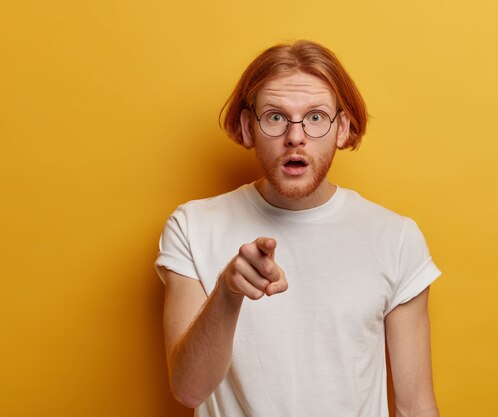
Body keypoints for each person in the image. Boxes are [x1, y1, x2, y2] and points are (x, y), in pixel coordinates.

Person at [155, 40, 440, 417]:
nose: (295, 136)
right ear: (247, 126)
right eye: (275, 117)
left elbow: (415, 406)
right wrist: (228, 291)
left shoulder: (396, 238)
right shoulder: (192, 227)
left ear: (342, 128)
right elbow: (189, 389)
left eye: (316, 117)